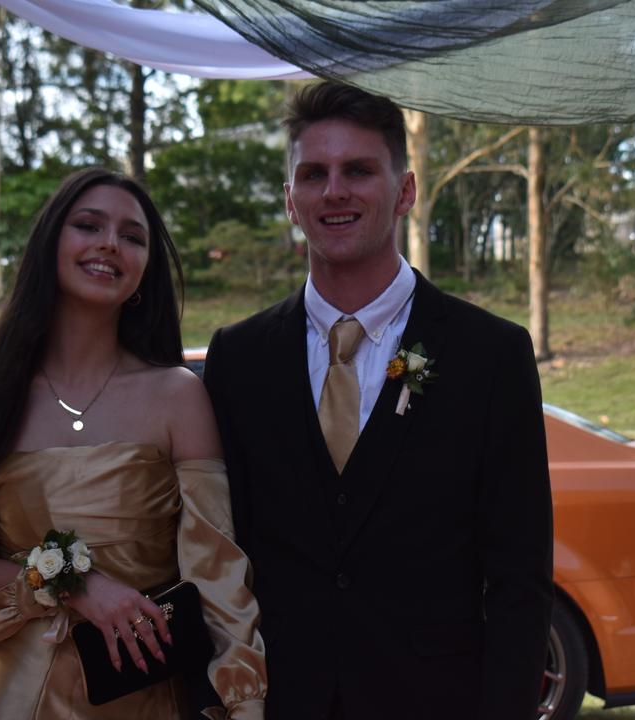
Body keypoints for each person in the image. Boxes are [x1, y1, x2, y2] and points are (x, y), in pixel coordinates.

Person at [203, 82, 553, 719]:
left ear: (406, 191)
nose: (334, 191)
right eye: (314, 174)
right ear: (291, 199)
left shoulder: (491, 354)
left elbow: (519, 579)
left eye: (358, 170)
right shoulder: (237, 357)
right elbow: (223, 553)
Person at [0, 168, 266, 720]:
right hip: (13, 698)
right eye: (88, 225)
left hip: (143, 696)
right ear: (50, 243)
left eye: (132, 236)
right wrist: (77, 586)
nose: (109, 243)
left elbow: (218, 576)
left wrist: (243, 704)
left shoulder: (178, 396)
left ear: (145, 270)